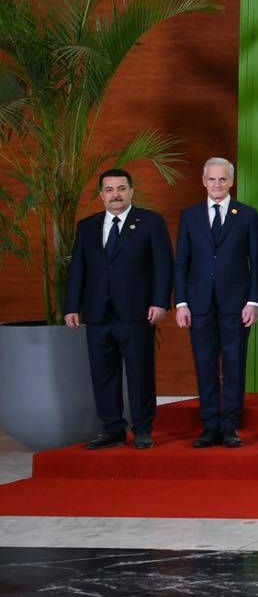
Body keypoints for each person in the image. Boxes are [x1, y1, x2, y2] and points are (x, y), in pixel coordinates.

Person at [63, 167, 173, 449]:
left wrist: (160, 302)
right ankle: (112, 429)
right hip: (97, 313)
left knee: (140, 373)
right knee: (103, 374)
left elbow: (164, 266)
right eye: (109, 190)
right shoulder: (87, 227)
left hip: (137, 312)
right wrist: (71, 306)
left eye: (121, 189)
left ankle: (143, 429)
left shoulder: (150, 222)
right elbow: (78, 269)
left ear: (131, 192)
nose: (116, 195)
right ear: (101, 195)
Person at [173, 157, 258, 448]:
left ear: (231, 181)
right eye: (212, 179)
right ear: (203, 181)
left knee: (234, 365)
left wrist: (254, 301)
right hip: (198, 304)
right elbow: (181, 262)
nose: (217, 184)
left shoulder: (247, 215)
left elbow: (256, 261)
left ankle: (230, 426)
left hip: (237, 304)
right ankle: (210, 426)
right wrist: (181, 303)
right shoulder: (190, 216)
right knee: (205, 364)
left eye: (223, 179)